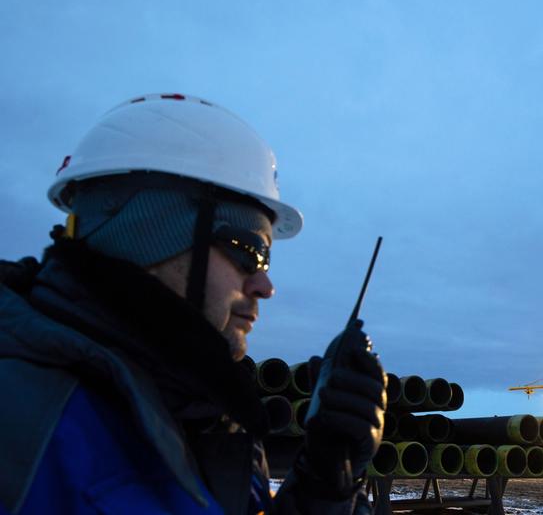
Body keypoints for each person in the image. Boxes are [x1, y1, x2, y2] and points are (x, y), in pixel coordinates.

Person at [0, 94, 386, 514]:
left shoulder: (206, 419)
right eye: (249, 250)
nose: (265, 284)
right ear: (148, 235)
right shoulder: (24, 422)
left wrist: (326, 481)